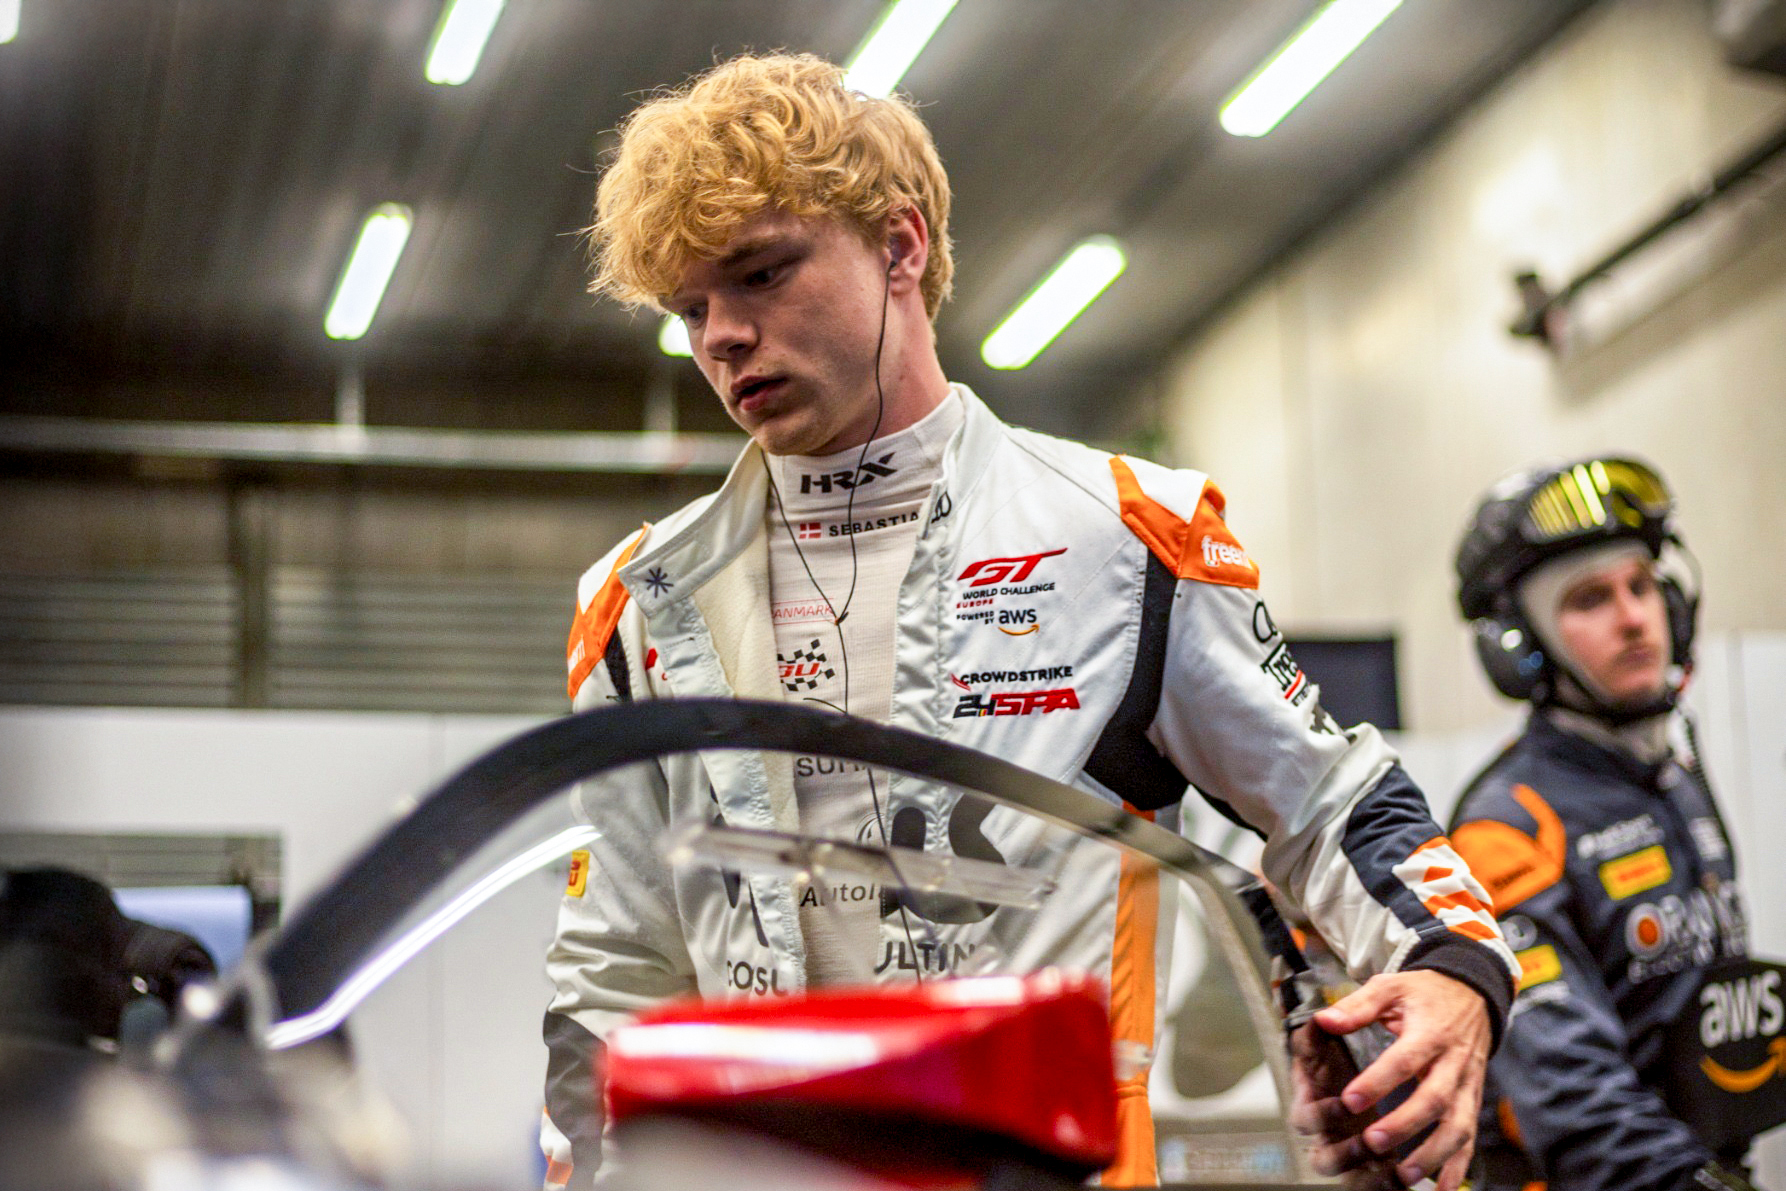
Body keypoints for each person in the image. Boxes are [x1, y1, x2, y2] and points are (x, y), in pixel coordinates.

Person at [542, 52, 1516, 1190]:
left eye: (760, 273)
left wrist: (1454, 964)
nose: (721, 335)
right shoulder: (642, 598)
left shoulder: (1124, 535)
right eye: (692, 308)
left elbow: (1327, 800)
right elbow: (614, 968)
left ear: (900, 246)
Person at [1448, 458, 1763, 1190]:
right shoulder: (1507, 826)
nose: (1633, 617)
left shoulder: (1673, 777)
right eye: (1590, 598)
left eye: (1642, 586)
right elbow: (1571, 1101)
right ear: (1519, 645)